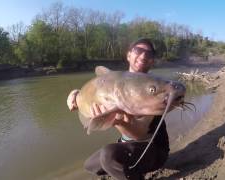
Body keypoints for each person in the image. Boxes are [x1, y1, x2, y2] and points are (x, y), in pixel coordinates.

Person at [67, 38, 169, 180]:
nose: (144, 55)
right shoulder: (117, 80)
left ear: (152, 60)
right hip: (128, 146)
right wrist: (75, 94)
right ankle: (129, 168)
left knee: (108, 156)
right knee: (91, 165)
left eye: (149, 53)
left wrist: (117, 121)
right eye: (138, 50)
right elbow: (94, 88)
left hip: (152, 148)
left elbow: (139, 136)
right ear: (128, 55)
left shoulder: (155, 89)